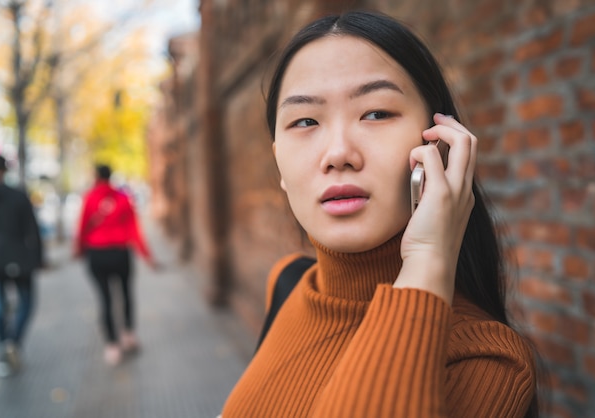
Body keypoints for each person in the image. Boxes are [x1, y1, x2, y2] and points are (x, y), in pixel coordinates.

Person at [220, 10, 539, 418]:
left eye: (376, 113)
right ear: (279, 165)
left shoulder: (484, 362)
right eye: (304, 120)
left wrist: (428, 258)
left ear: (439, 147)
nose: (338, 154)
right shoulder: (289, 284)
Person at [74, 164, 157, 366]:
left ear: (95, 176)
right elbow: (134, 229)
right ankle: (128, 333)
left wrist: (78, 250)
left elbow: (82, 227)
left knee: (105, 299)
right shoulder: (122, 197)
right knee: (126, 293)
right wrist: (147, 255)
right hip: (120, 254)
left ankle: (112, 345)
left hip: (97, 255)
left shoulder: (90, 197)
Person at [0, 155, 43, 378]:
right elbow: (33, 230)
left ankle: (6, 343)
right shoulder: (18, 196)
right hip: (20, 260)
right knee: (26, 302)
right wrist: (38, 259)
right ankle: (12, 343)